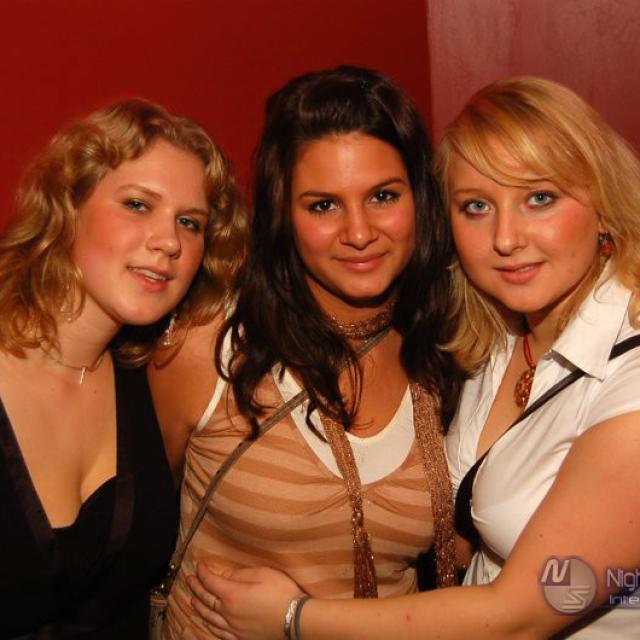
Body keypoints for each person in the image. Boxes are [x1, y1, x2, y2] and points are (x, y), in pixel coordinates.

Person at [191, 76, 640, 638]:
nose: (506, 238)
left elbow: (521, 615)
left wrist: (293, 618)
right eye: (476, 206)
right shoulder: (485, 336)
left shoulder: (630, 381)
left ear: (605, 205)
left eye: (539, 199)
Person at [148, 65, 462, 639]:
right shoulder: (210, 344)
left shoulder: (451, 349)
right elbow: (130, 537)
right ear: (283, 216)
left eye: (383, 196)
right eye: (323, 206)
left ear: (419, 197)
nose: (359, 232)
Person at [0, 99, 245, 638]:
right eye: (137, 204)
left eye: (190, 222)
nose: (169, 242)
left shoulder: (152, 377)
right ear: (70, 204)